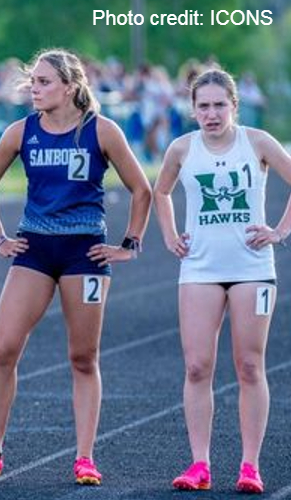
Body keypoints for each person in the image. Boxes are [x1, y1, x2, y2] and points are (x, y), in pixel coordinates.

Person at [0, 48, 152, 484]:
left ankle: (84, 457)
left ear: (70, 86)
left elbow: (141, 189)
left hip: (83, 253)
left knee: (83, 357)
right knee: (4, 347)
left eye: (44, 82)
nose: (35, 88)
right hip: (34, 249)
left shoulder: (101, 131)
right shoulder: (21, 131)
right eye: (33, 81)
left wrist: (129, 245)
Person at [154, 69, 291, 494]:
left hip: (252, 267)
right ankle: (200, 465)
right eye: (203, 106)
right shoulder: (181, 148)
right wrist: (171, 236)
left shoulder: (258, 142)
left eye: (219, 105)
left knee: (249, 366)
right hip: (200, 269)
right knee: (197, 367)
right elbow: (160, 193)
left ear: (234, 105)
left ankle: (250, 466)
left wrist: (280, 231)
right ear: (192, 109)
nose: (211, 114)